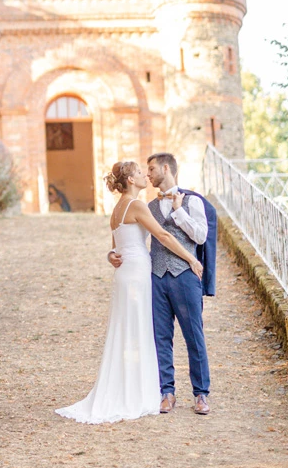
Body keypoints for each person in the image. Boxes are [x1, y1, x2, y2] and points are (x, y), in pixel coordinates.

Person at [57, 161, 203, 425]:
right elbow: (162, 236)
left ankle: (131, 386)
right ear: (130, 181)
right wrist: (191, 259)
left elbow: (116, 247)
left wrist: (110, 255)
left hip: (124, 274)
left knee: (127, 331)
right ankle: (139, 391)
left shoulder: (116, 209)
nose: (144, 175)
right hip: (136, 274)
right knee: (140, 331)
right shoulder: (137, 205)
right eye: (139, 173)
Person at [108, 151, 212, 416]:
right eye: (144, 171)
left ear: (166, 169)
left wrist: (179, 212)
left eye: (151, 169)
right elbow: (150, 237)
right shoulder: (146, 206)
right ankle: (167, 392)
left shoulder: (193, 201)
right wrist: (112, 254)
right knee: (160, 337)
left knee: (194, 336)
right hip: (154, 277)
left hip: (185, 277)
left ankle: (201, 395)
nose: (148, 174)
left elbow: (200, 237)